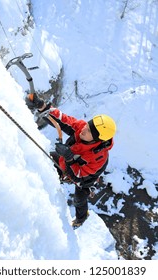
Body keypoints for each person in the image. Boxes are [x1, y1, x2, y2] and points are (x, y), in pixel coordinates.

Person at [26, 94, 116, 229]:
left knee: (79, 199)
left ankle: (81, 218)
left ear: (97, 140)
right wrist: (43, 107)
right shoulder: (83, 128)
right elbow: (63, 121)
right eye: (88, 125)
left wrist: (68, 156)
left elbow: (78, 176)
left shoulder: (97, 157)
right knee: (44, 159)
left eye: (89, 131)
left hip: (85, 178)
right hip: (68, 159)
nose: (84, 129)